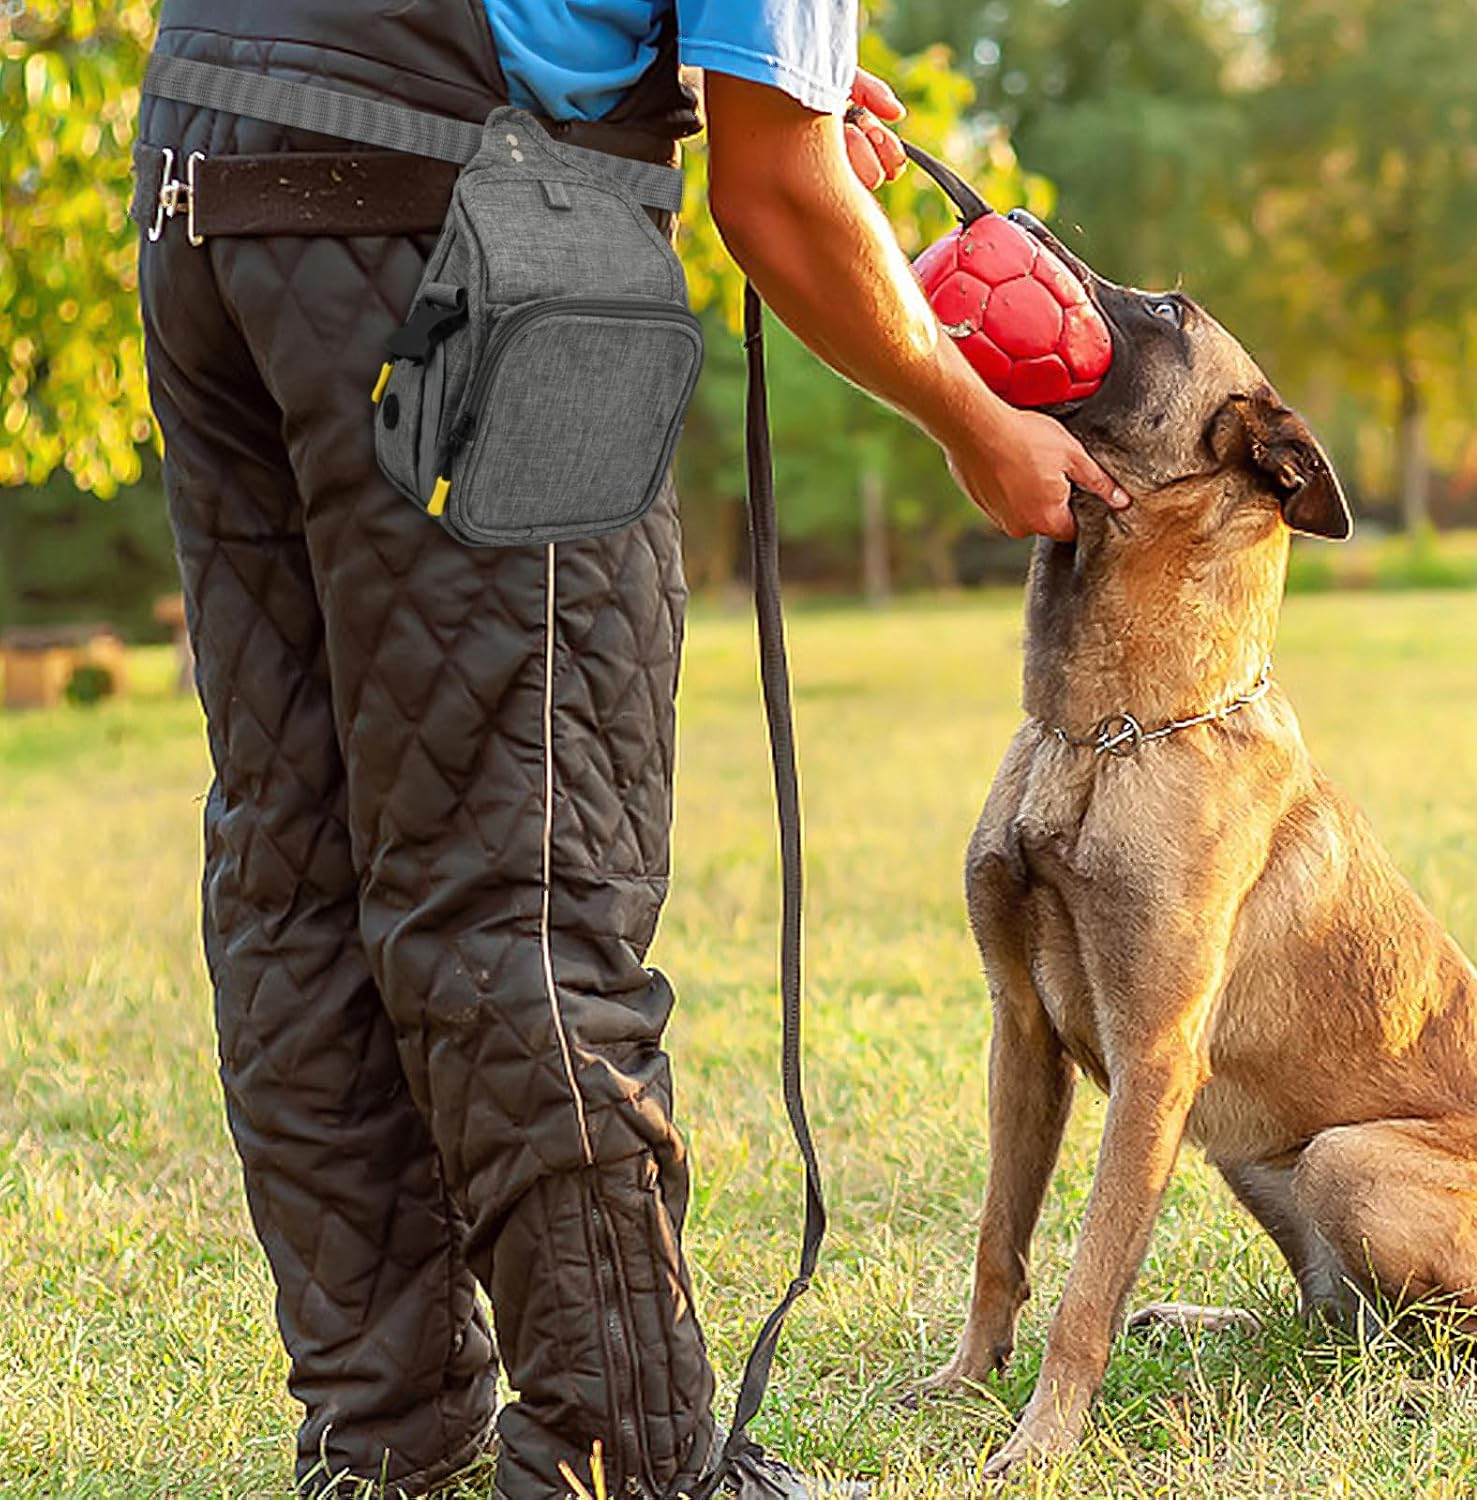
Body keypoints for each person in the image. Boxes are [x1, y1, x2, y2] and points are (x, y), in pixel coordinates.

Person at [135, 3, 1127, 1498]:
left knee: (296, 851)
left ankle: (387, 1437)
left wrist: (736, 82)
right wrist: (970, 416)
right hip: (478, 228)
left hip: (205, 185)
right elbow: (777, 196)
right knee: (528, 879)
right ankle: (633, 1460)